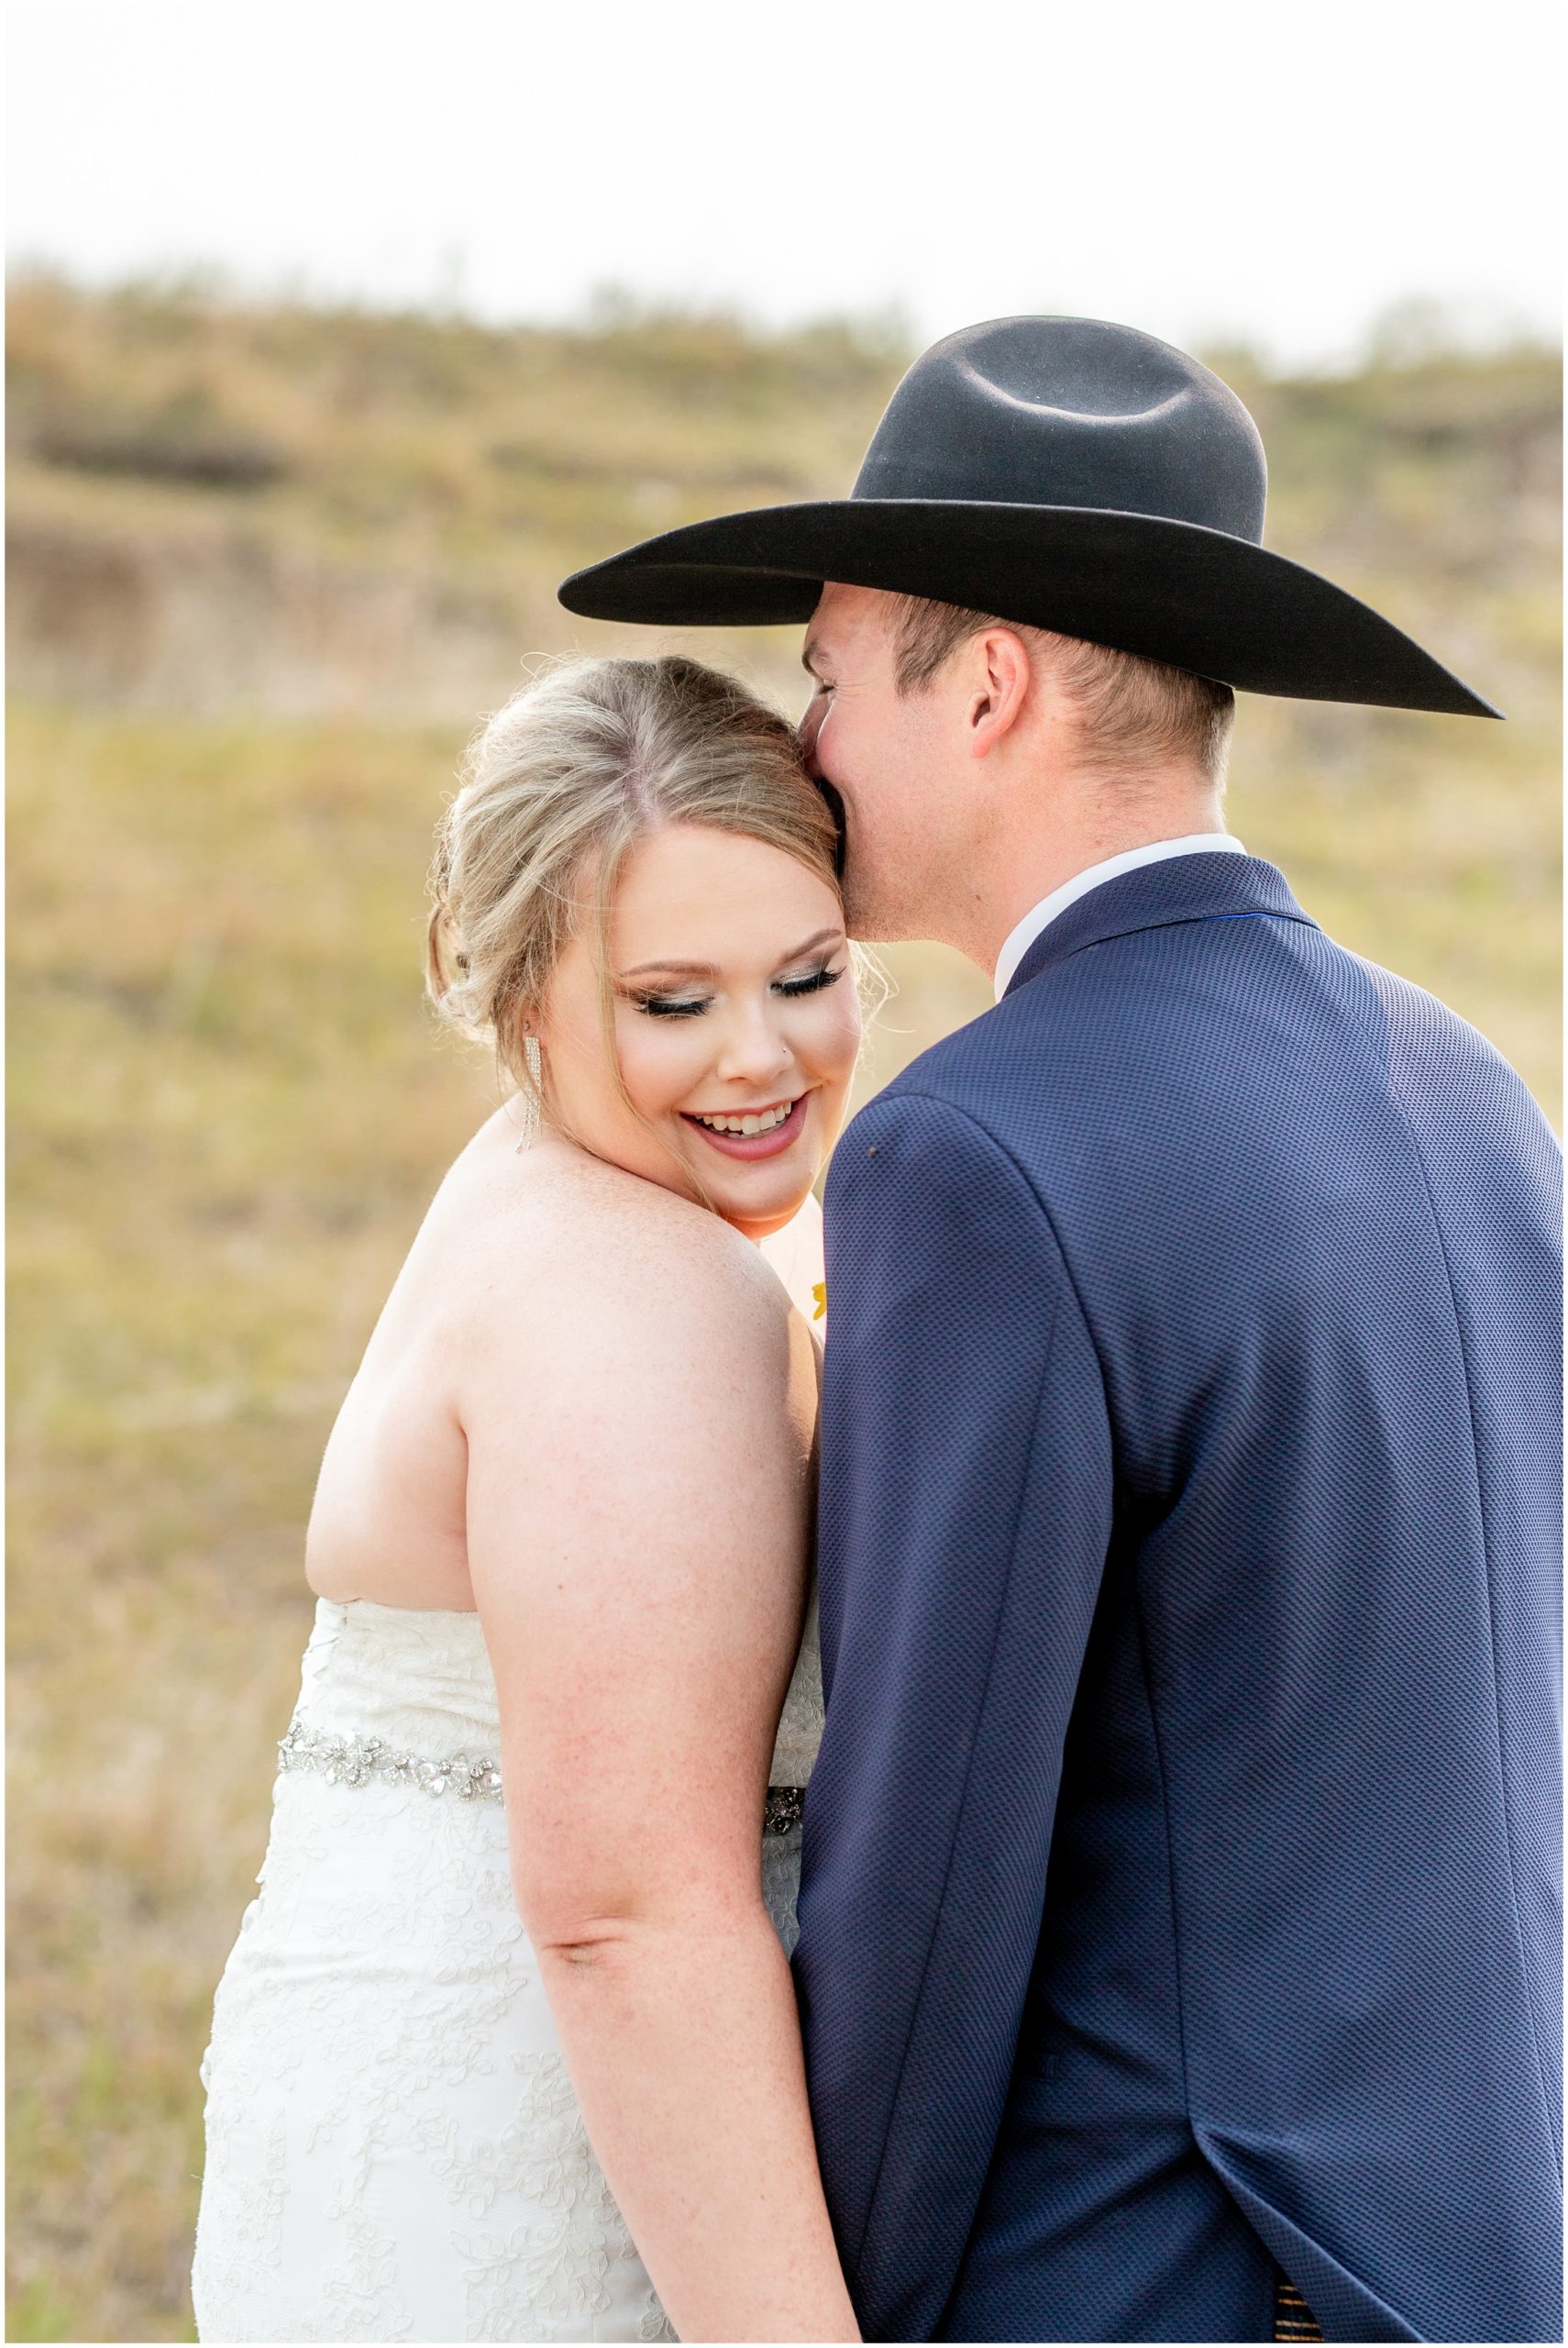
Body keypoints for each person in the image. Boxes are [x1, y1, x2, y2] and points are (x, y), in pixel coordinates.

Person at [559, 316, 1562, 2343]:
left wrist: (841, 2303)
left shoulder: (981, 1146)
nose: (811, 741)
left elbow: (928, 1856)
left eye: (832, 675)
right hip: (1479, 2246)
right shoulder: (1468, 1084)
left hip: (1156, 2265)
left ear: (987, 684)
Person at [192, 654, 862, 2344]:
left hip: (405, 2093)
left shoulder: (535, 1187)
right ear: (516, 988)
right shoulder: (633, 1295)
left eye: (804, 974)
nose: (761, 1056)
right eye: (672, 1001)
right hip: (533, 2168)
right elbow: (626, 1916)